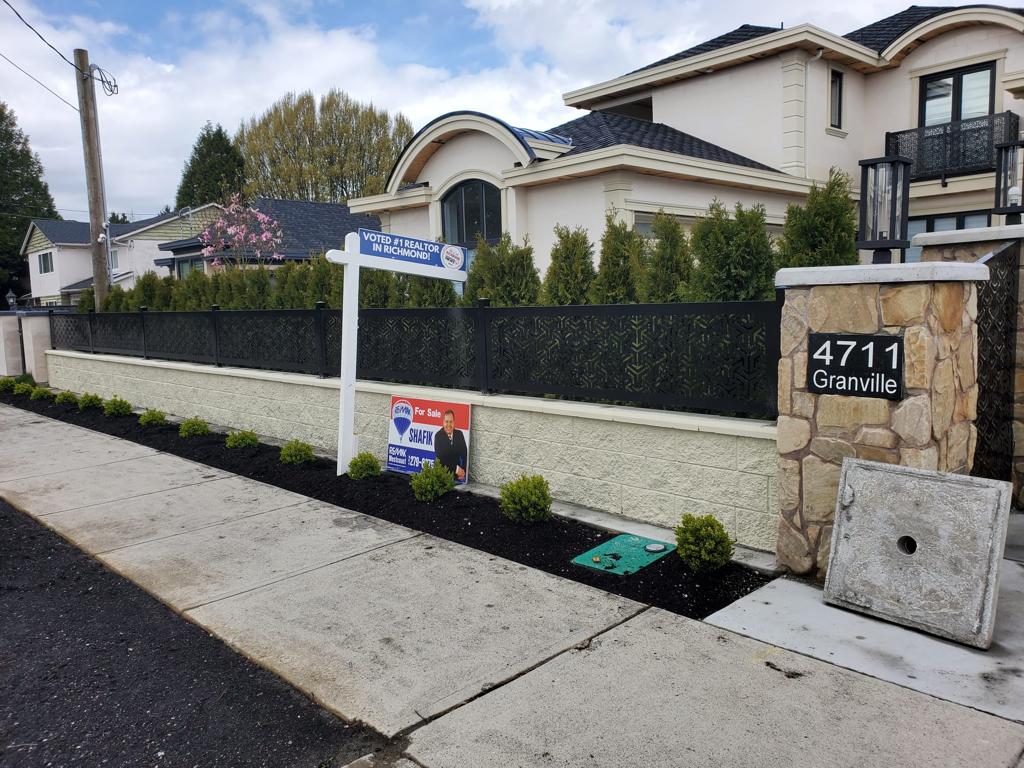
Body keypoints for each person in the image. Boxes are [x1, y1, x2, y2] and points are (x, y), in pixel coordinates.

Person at [433, 409, 467, 481]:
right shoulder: (438, 436)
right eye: (446, 421)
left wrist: (463, 471)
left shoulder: (459, 434)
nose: (448, 424)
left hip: (458, 476)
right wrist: (457, 469)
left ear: (454, 422)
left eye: (451, 422)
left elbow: (465, 454)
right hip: (444, 476)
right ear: (443, 422)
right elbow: (441, 459)